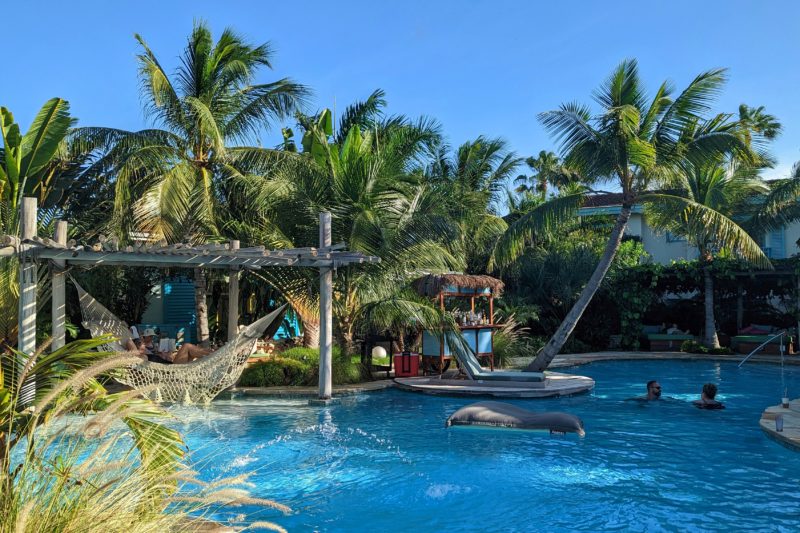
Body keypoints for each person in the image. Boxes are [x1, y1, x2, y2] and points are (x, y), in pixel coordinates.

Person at [125, 328, 210, 364]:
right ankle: (212, 354)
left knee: (190, 350)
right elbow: (129, 342)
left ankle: (213, 354)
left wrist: (164, 355)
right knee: (187, 346)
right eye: (140, 344)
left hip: (171, 364)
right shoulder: (143, 357)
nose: (143, 344)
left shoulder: (152, 352)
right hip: (173, 370)